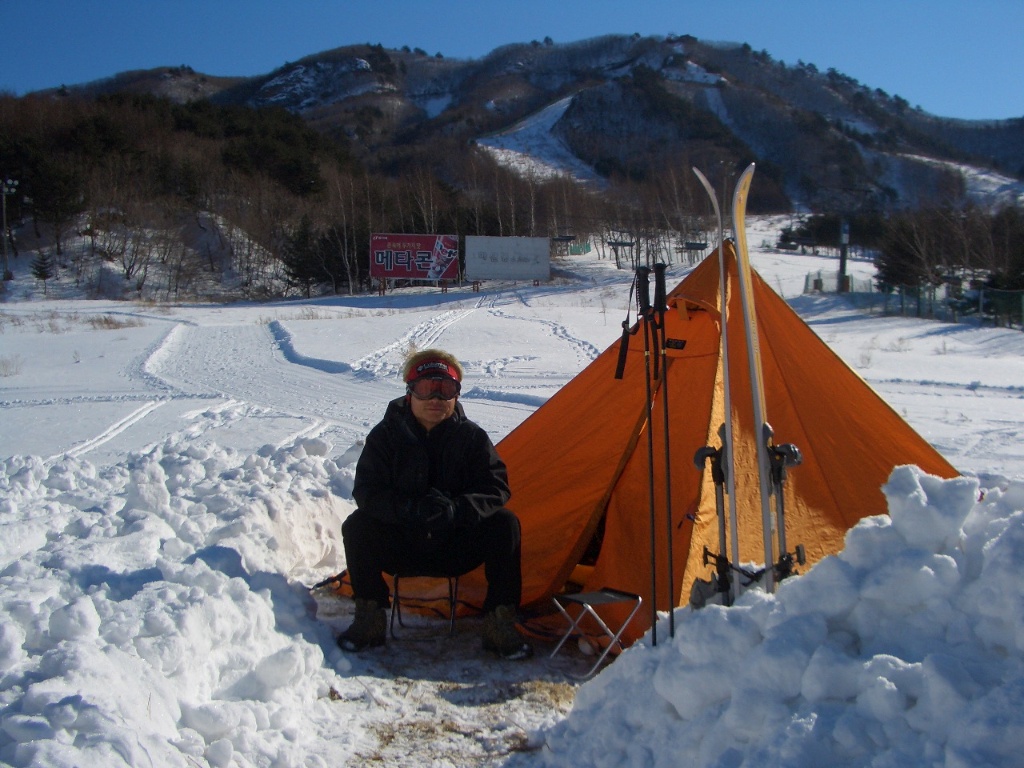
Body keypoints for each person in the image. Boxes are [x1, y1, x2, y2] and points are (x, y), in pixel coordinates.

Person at [338, 348, 533, 660]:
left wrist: (457, 510)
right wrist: (410, 510)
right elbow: (367, 492)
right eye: (427, 388)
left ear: (456, 394)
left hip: (454, 546)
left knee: (504, 525)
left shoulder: (471, 437)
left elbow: (496, 487)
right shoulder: (385, 436)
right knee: (358, 525)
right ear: (410, 391)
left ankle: (500, 624)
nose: (435, 399)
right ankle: (369, 619)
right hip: (401, 545)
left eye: (446, 389)